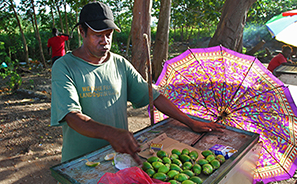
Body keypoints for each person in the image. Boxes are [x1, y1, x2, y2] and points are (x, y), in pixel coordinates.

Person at [50, 1, 225, 165]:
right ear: (82, 31)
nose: (105, 41)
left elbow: (154, 97)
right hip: (80, 162)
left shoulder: (119, 64)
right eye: (98, 35)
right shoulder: (64, 66)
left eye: (108, 35)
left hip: (117, 157)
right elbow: (71, 117)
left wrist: (190, 122)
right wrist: (111, 133)